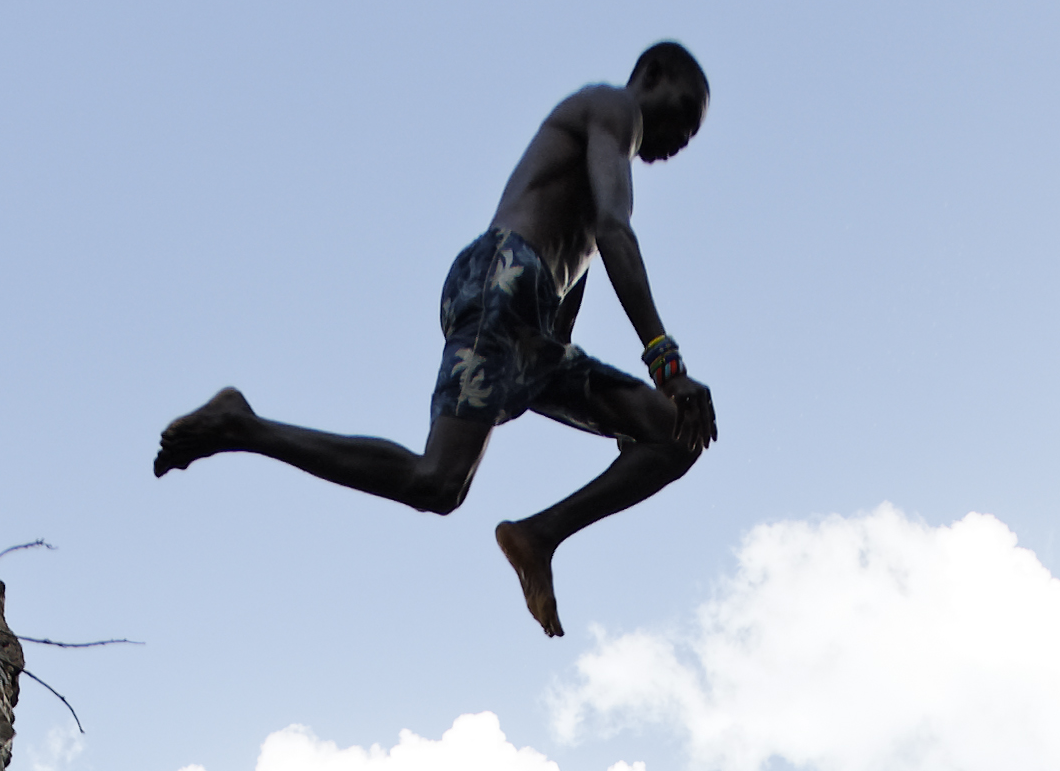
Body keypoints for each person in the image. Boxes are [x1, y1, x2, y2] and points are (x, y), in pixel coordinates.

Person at [154, 45, 717, 639]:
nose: (684, 138)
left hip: (529, 313)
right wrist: (666, 362)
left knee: (673, 435)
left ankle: (539, 535)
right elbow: (613, 231)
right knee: (438, 481)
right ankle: (240, 425)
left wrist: (597, 397)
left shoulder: (602, 155)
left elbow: (569, 293)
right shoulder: (614, 108)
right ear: (652, 75)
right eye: (686, 112)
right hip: (502, 279)